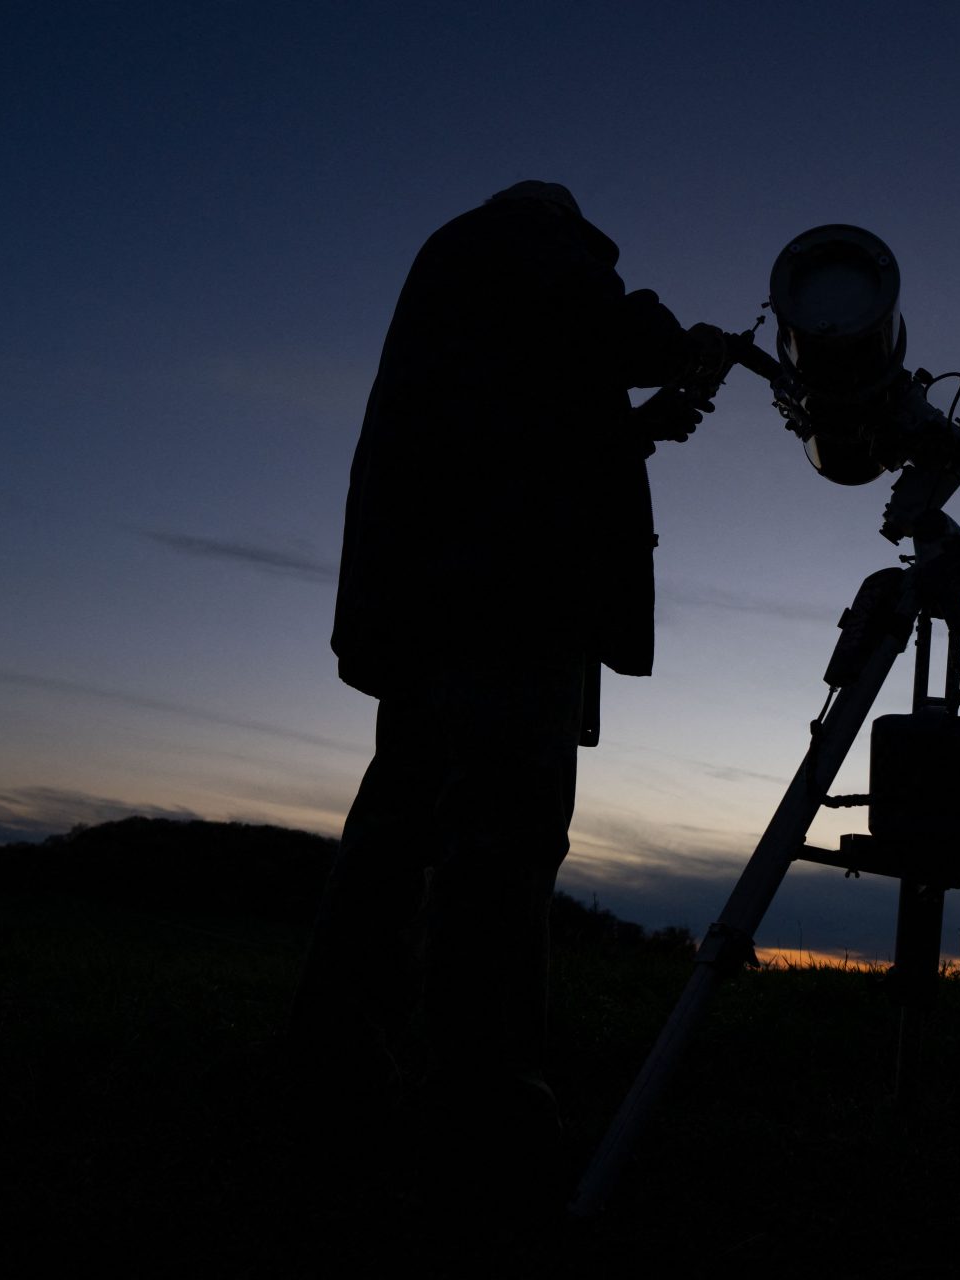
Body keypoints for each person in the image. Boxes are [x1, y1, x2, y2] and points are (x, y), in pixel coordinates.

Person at [291, 181, 717, 1160]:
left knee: (399, 824)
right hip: (510, 591)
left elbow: (525, 417)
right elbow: (612, 332)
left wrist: (640, 424)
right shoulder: (533, 236)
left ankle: (336, 1058)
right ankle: (481, 1092)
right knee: (506, 834)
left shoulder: (463, 278)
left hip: (430, 587)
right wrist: (680, 342)